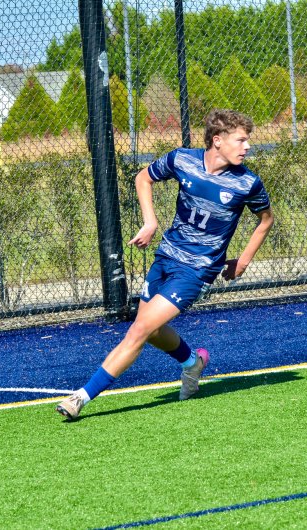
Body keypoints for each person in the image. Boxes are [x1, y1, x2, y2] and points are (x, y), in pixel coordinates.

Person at [56, 109, 274, 420]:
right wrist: (150, 221)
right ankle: (192, 364)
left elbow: (266, 220)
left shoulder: (247, 183)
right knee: (153, 330)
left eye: (247, 141)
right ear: (217, 140)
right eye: (241, 140)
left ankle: (81, 397)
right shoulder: (182, 160)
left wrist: (243, 261)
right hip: (166, 257)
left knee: (140, 329)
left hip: (198, 269)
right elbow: (143, 177)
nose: (247, 146)